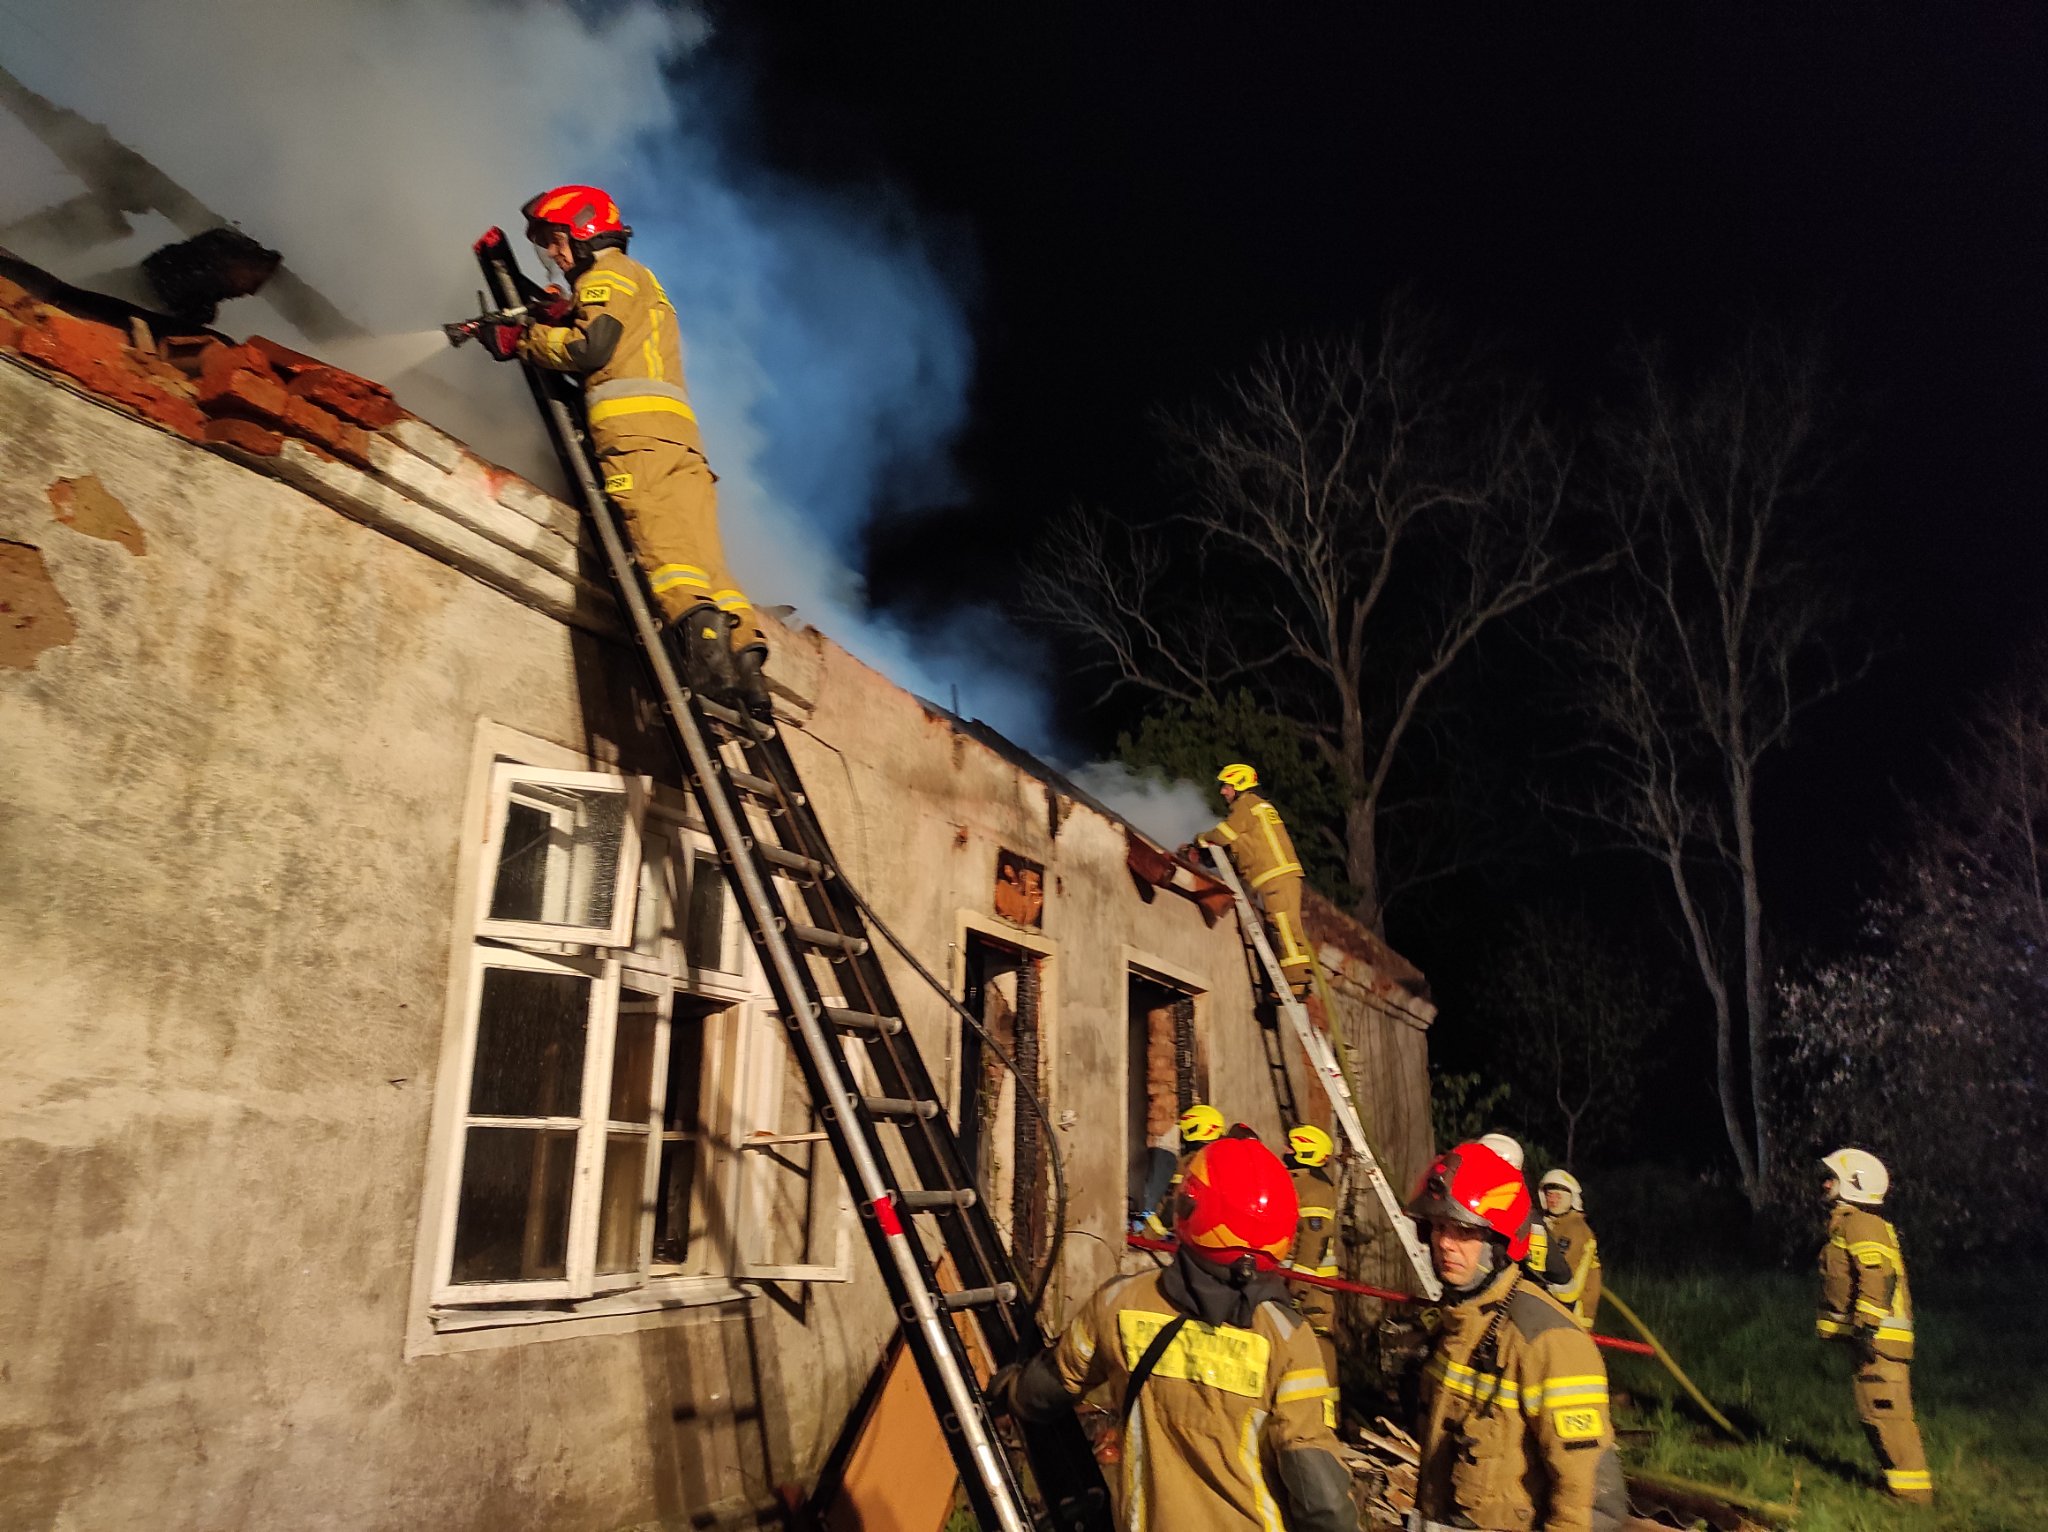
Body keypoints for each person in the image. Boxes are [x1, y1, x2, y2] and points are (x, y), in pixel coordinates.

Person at [476, 185, 768, 710]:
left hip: (634, 439)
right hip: (682, 443)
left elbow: (592, 348)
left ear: (584, 228)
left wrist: (520, 341)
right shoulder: (643, 283)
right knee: (704, 557)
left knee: (662, 544)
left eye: (556, 240)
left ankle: (703, 654)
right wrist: (556, 312)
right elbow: (607, 332)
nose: (554, 254)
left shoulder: (605, 275)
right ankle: (745, 663)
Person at [1004, 1136, 1358, 1531]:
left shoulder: (1121, 1302)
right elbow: (1319, 1497)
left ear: (1191, 1209)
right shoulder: (1287, 1338)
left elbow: (1048, 1387)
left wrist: (1010, 1391)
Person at [1406, 1141, 1627, 1532]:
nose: (1443, 1243)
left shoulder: (1548, 1341)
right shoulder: (1458, 1323)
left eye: (1463, 1231)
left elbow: (1591, 1507)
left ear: (1499, 1240)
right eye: (1438, 1227)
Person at [1816, 1148, 1932, 1504]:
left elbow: (1875, 1274)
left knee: (1889, 1417)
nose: (1824, 1184)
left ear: (1852, 1185)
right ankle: (1898, 1486)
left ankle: (1912, 1497)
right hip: (1873, 1341)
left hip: (1879, 1341)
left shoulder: (1862, 1223)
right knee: (1878, 1416)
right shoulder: (1851, 1223)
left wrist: (1866, 1327)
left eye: (1831, 1178)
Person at [1187, 764, 1314, 1000]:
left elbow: (1223, 834)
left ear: (1240, 785)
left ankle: (1296, 984)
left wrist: (1199, 840)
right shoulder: (1255, 810)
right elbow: (1238, 849)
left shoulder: (1247, 806)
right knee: (1279, 925)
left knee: (1283, 925)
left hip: (1276, 877)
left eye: (1227, 786)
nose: (1223, 792)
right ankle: (1294, 981)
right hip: (1275, 877)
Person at [1285, 1123, 1343, 1403]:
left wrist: (1298, 1286)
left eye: (1291, 1147)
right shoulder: (1301, 1183)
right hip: (1301, 1285)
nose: (1285, 1151)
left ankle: (1326, 1417)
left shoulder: (1314, 1190)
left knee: (1319, 1349)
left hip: (1313, 1289)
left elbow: (1312, 1241)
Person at [1132, 1102, 1224, 1236]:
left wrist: (1152, 1232)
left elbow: (1175, 1202)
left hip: (1191, 1234)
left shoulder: (1192, 1161)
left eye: (1186, 1131)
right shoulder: (1227, 1157)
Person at [1536, 1170, 1603, 1330]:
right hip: (1557, 1309)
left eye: (1557, 1196)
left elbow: (1560, 1272)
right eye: (1549, 1195)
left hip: (1570, 1314)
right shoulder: (1554, 1225)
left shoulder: (1575, 1230)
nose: (1552, 1200)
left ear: (1571, 1199)